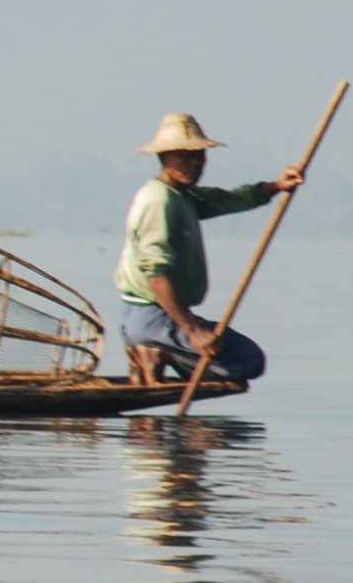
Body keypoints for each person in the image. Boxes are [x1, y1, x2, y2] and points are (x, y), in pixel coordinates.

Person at [115, 113, 306, 383]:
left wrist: (276, 186)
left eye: (200, 155)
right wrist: (193, 331)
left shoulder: (181, 196)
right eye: (185, 155)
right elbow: (156, 275)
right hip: (151, 316)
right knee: (247, 360)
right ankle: (156, 350)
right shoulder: (158, 200)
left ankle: (159, 355)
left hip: (153, 318)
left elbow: (226, 200)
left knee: (229, 359)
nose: (196, 162)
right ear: (165, 156)